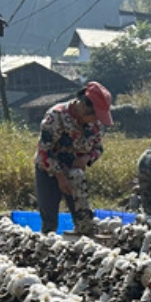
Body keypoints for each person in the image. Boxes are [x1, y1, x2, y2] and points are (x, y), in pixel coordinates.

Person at [34, 81, 112, 236]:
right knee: (49, 220)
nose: (97, 119)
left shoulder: (95, 124)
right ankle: (47, 249)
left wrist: (86, 158)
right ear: (83, 105)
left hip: (75, 173)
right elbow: (44, 151)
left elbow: (98, 148)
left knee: (83, 219)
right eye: (95, 114)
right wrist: (60, 176)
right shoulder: (56, 116)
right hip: (49, 170)